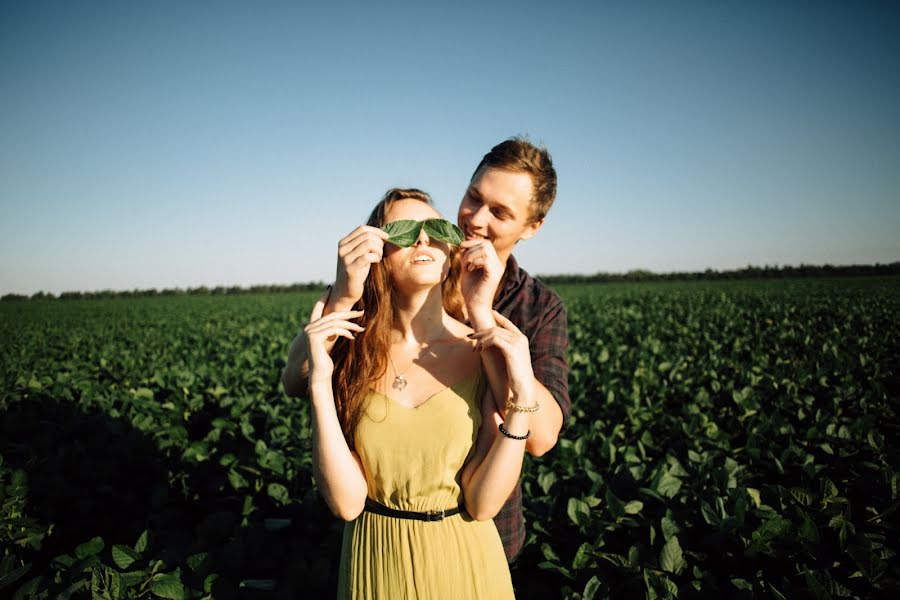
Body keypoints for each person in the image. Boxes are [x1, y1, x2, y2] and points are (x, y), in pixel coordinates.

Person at [284, 137, 569, 562]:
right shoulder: (409, 269)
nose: (474, 219)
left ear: (532, 227)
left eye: (500, 212)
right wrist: (343, 296)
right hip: (380, 534)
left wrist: (481, 313)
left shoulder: (538, 307)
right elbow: (297, 379)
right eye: (474, 197)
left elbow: (541, 437)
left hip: (483, 530)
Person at [304, 188, 537, 598]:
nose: (424, 240)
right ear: (376, 252)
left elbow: (483, 503)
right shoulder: (350, 353)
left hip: (467, 565)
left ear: (453, 250)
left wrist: (520, 402)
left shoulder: (481, 351)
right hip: (375, 568)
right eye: (405, 231)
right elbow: (346, 503)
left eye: (436, 228)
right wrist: (320, 385)